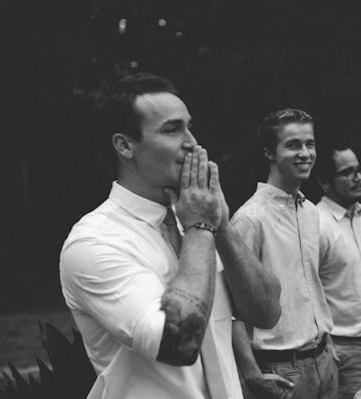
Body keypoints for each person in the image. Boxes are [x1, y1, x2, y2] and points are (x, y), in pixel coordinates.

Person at [59, 73, 281, 399]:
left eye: (190, 127)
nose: (192, 142)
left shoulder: (195, 219)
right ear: (124, 145)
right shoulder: (95, 242)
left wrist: (221, 226)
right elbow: (178, 343)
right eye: (173, 129)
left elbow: (268, 312)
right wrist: (200, 228)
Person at [231, 108, 337, 399]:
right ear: (269, 152)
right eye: (293, 145)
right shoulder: (250, 219)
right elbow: (230, 311)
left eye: (309, 144)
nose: (305, 153)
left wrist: (328, 348)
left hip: (325, 358)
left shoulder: (311, 212)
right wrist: (252, 374)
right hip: (281, 369)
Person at [314, 141, 361, 399]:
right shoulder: (317, 224)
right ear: (324, 182)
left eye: (358, 170)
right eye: (347, 172)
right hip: (341, 349)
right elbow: (305, 289)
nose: (358, 177)